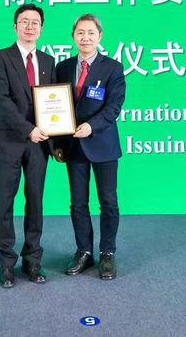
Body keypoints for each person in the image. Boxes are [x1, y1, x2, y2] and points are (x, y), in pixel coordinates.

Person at [0, 3, 56, 288]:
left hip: (40, 143)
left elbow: (53, 102)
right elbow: (2, 102)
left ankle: (32, 259)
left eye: (35, 22)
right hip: (8, 140)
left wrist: (54, 136)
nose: (30, 26)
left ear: (41, 28)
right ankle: (6, 263)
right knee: (5, 202)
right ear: (15, 26)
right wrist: (29, 130)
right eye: (24, 21)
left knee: (35, 201)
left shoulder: (48, 61)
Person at [54, 14, 126, 280]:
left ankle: (107, 253)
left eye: (91, 33)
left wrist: (91, 126)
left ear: (100, 36)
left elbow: (114, 106)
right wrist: (56, 143)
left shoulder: (113, 68)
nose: (85, 38)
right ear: (73, 36)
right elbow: (55, 107)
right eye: (80, 33)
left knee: (108, 201)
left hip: (103, 144)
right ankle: (83, 252)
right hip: (73, 146)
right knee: (77, 203)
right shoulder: (62, 67)